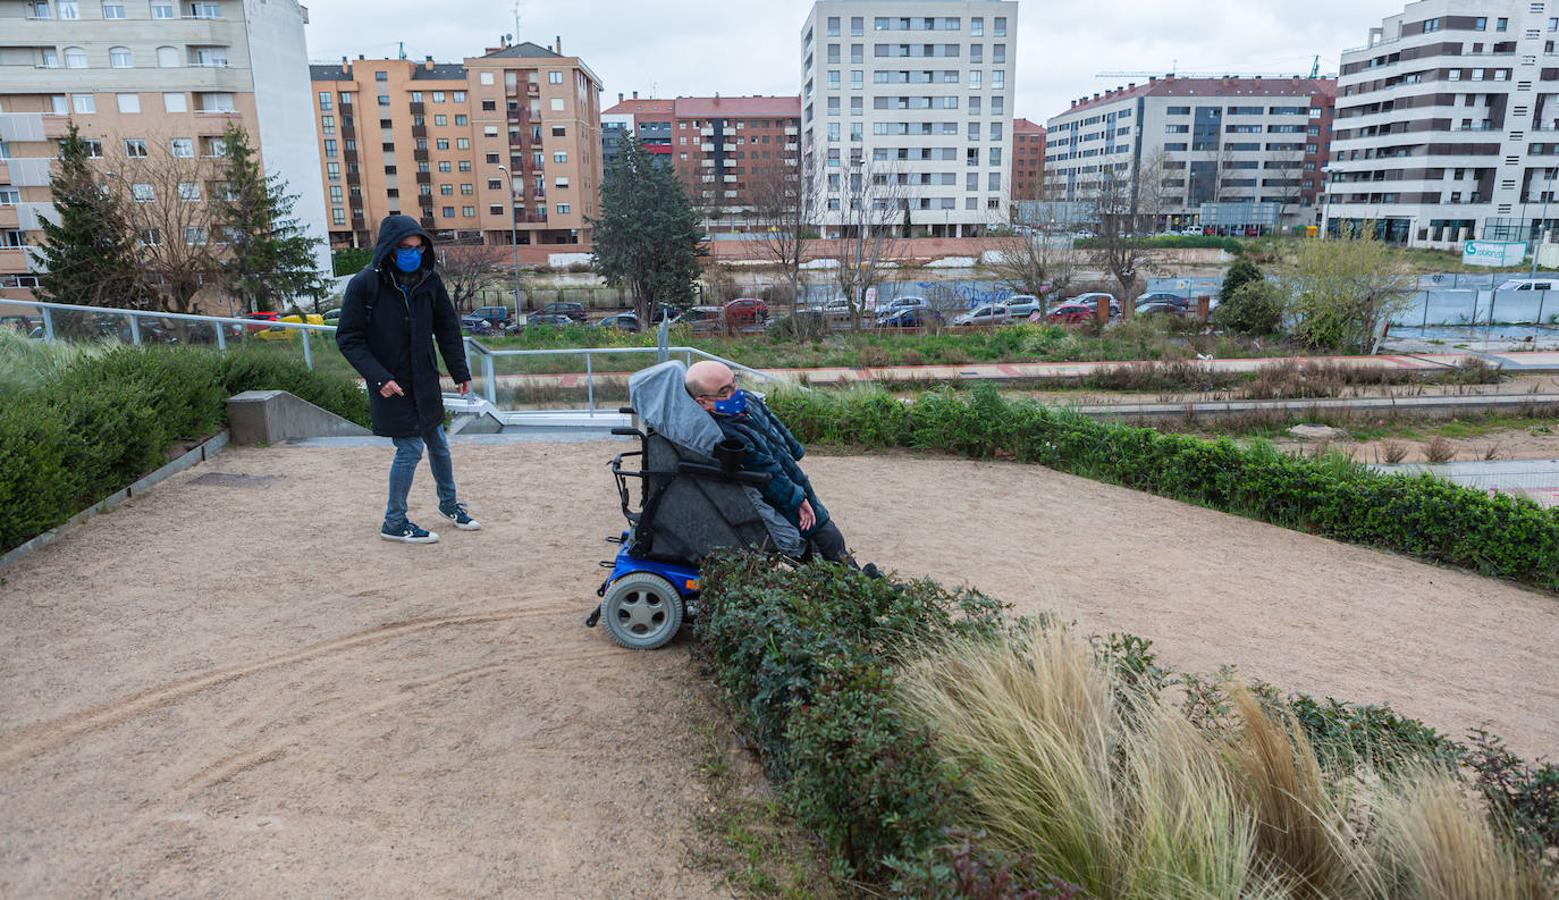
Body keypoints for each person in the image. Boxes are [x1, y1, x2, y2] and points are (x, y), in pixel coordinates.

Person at [336, 214, 480, 544]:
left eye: (417, 247)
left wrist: (459, 371)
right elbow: (348, 338)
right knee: (410, 448)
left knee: (439, 445)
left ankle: (449, 505)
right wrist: (379, 378)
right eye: (405, 248)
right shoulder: (365, 284)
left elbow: (447, 328)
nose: (412, 254)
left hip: (425, 381)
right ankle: (394, 521)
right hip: (392, 386)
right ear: (389, 249)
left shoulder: (429, 281)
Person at [684, 360, 861, 567]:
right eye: (724, 392)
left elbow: (774, 422)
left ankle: (852, 580)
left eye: (735, 383)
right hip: (781, 496)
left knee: (826, 543)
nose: (736, 392)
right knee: (825, 536)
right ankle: (854, 585)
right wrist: (798, 500)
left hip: (792, 478)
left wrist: (794, 449)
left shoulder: (747, 400)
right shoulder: (727, 435)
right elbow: (767, 471)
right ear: (703, 402)